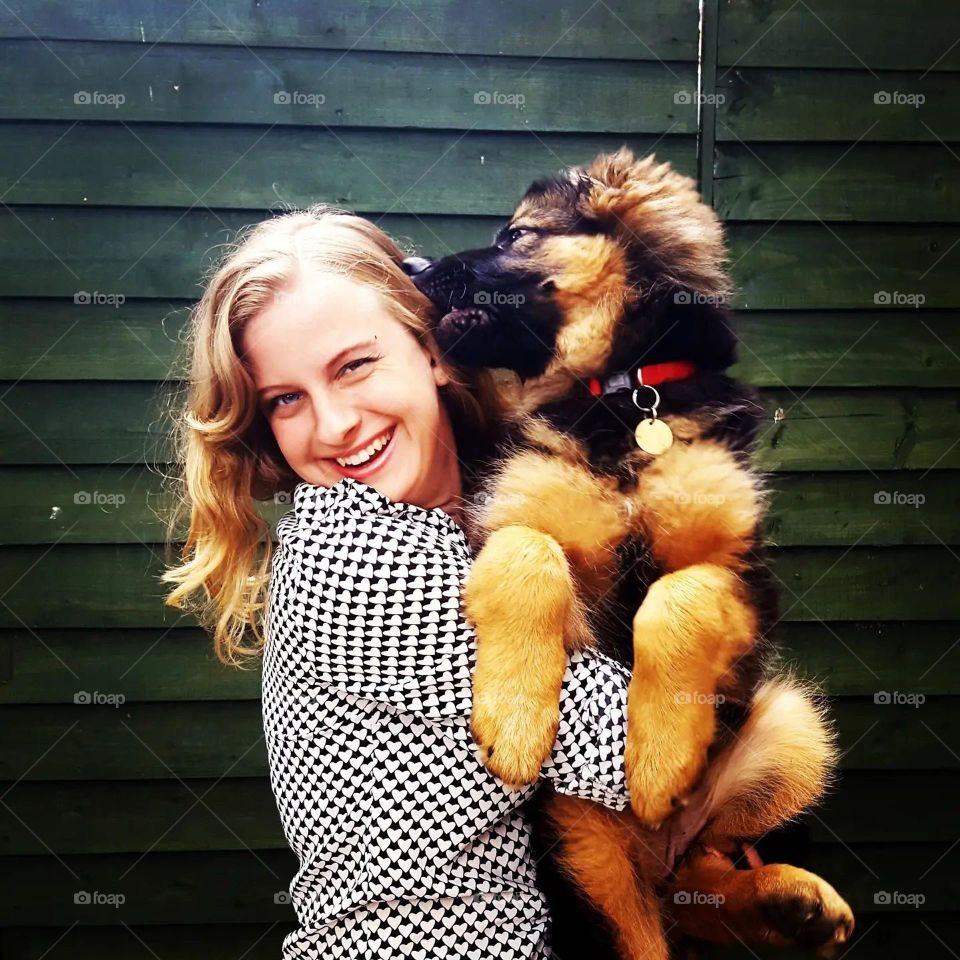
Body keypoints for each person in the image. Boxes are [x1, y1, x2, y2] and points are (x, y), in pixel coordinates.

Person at [161, 204, 642, 959]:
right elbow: (638, 749)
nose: (332, 426)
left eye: (354, 366)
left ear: (433, 348)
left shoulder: (489, 497)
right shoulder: (348, 553)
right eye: (285, 400)